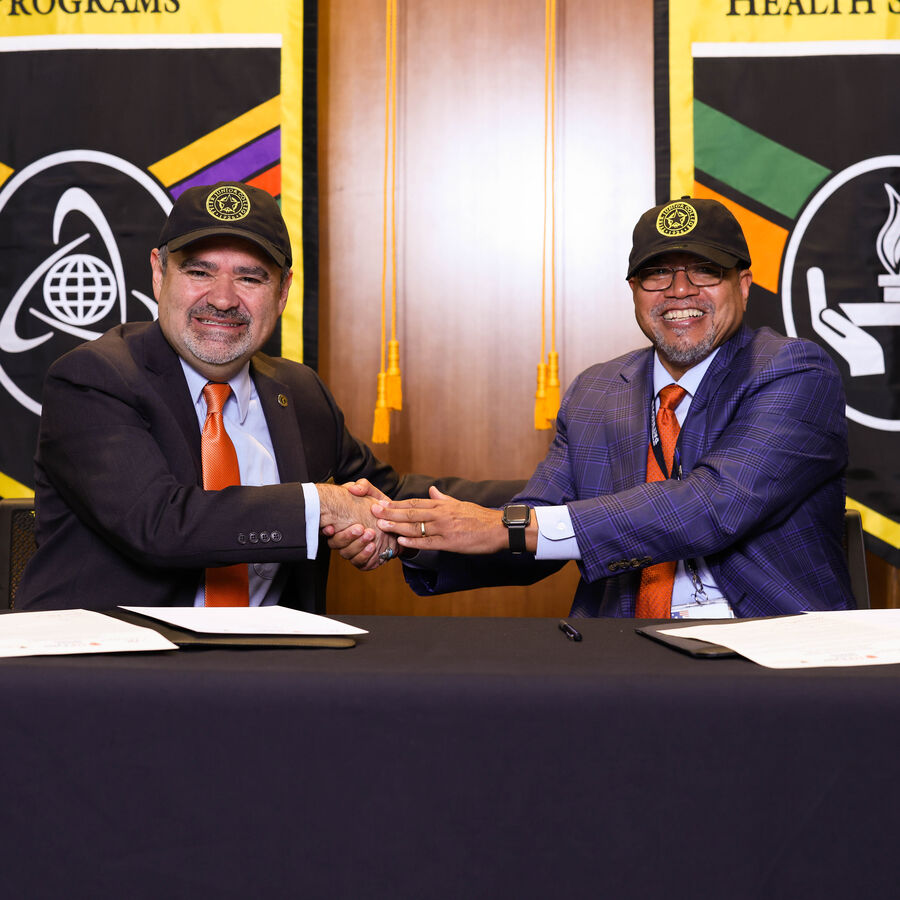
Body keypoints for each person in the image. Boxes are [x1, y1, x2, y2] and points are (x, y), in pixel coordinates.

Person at [17, 181, 514, 612]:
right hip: (107, 684)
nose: (223, 297)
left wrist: (554, 507)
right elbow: (159, 524)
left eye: (251, 277)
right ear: (158, 273)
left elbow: (393, 497)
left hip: (269, 679)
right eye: (199, 271)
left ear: (282, 292)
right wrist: (322, 506)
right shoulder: (93, 379)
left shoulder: (301, 393)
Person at [344, 197, 853, 618]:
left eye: (706, 271)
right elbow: (541, 524)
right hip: (620, 653)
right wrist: (409, 530)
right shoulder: (598, 390)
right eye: (657, 275)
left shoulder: (795, 373)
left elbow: (712, 505)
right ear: (634, 291)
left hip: (770, 652)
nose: (680, 291)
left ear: (743, 285)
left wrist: (507, 526)